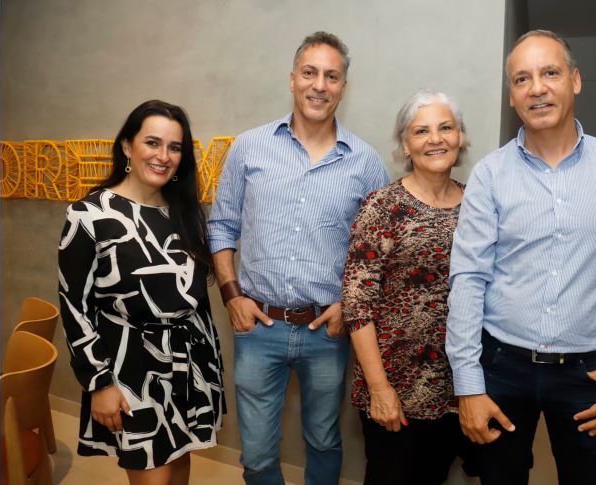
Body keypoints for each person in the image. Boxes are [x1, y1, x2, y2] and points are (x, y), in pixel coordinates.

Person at [445, 30, 596, 484]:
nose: (537, 88)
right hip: (501, 368)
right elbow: (467, 279)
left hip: (593, 372)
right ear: (512, 95)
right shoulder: (490, 175)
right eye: (522, 79)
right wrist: (468, 384)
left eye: (550, 72)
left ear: (575, 81)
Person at [207, 31, 389, 484]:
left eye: (332, 76)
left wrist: (348, 308)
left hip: (327, 332)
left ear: (343, 87)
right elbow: (222, 227)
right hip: (258, 326)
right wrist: (232, 296)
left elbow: (378, 254)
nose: (319, 85)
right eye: (310, 73)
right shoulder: (249, 147)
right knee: (258, 454)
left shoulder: (366, 163)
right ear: (292, 79)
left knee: (325, 441)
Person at [58, 100, 226, 484]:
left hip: (190, 364)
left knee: (181, 464)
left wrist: (209, 366)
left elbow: (194, 298)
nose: (163, 156)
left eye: (174, 147)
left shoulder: (183, 211)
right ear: (127, 146)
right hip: (131, 368)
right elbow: (73, 305)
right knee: (152, 475)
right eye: (152, 142)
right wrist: (98, 382)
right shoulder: (89, 215)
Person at [343, 89, 494, 484]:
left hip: (458, 387)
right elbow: (358, 306)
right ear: (406, 145)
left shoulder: (478, 203)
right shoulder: (382, 207)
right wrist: (379, 389)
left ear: (460, 137)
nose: (435, 139)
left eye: (446, 128)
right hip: (396, 388)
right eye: (421, 131)